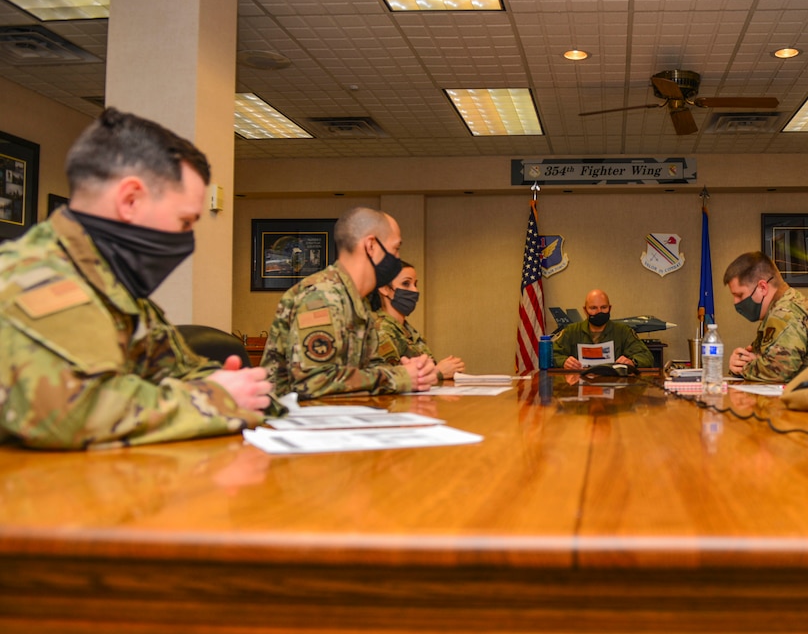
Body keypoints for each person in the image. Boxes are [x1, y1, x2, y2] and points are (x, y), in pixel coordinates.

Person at [0, 108, 272, 450]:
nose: (188, 238)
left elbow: (177, 368)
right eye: (185, 221)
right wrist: (215, 398)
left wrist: (233, 385)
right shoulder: (35, 278)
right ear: (130, 200)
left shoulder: (116, 288)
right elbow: (73, 415)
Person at [261, 207, 437, 399]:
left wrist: (413, 370)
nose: (397, 259)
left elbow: (367, 369)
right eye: (395, 249)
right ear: (371, 246)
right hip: (290, 421)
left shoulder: (358, 302)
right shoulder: (323, 296)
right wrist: (398, 377)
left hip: (336, 416)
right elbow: (314, 382)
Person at [723, 252, 808, 381]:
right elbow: (763, 360)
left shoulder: (785, 312)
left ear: (762, 287)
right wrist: (741, 362)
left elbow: (779, 371)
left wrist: (744, 368)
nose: (736, 302)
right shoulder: (780, 306)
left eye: (739, 295)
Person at [371, 261, 465, 381]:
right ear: (385, 289)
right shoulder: (380, 329)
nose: (414, 290)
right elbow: (389, 381)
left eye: (415, 284)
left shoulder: (405, 329)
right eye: (406, 284)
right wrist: (438, 372)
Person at [552, 289, 654, 369]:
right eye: (593, 308)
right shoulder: (571, 331)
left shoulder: (623, 331)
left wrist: (633, 362)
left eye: (603, 307)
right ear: (585, 310)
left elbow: (646, 357)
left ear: (610, 308)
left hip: (615, 387)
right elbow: (552, 355)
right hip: (580, 386)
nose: (599, 312)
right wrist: (564, 361)